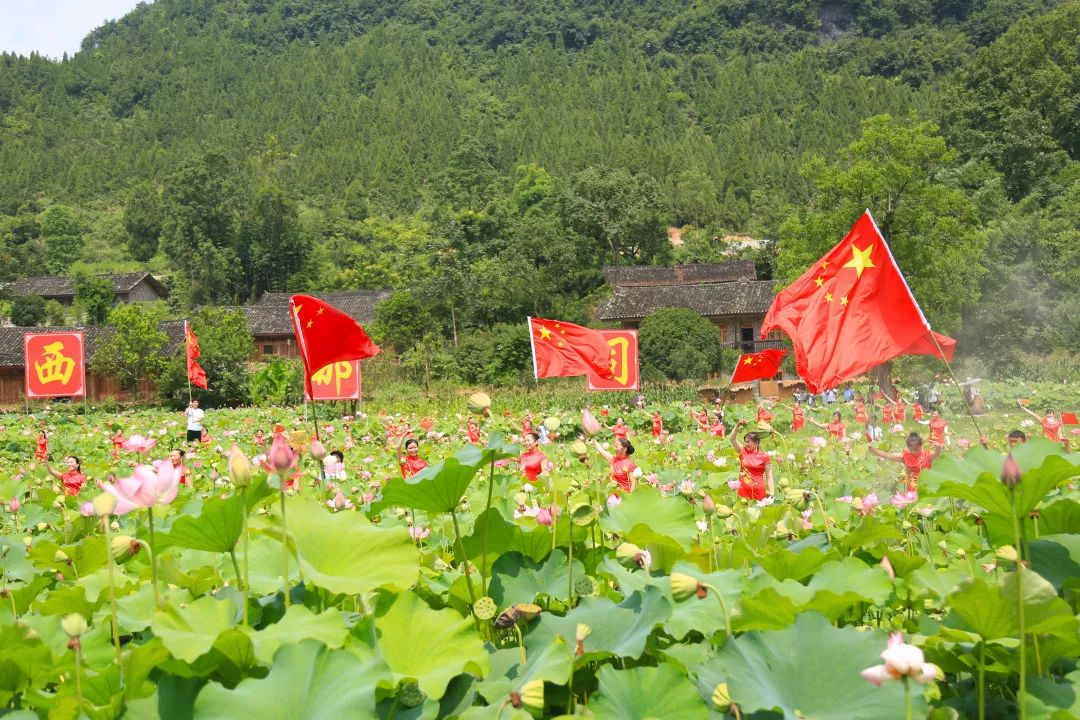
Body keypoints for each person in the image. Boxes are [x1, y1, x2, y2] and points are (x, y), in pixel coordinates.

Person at [869, 432, 943, 490]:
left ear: (921, 446)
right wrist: (876, 451)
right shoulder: (906, 456)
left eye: (916, 449)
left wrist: (939, 447)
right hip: (912, 487)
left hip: (926, 486)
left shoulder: (928, 455)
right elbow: (889, 456)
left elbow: (937, 454)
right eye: (911, 450)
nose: (913, 452)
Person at [729, 419, 774, 500]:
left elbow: (769, 477)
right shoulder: (743, 451)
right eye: (745, 442)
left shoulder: (765, 456)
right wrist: (738, 425)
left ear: (756, 442)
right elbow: (732, 439)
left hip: (758, 491)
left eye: (748, 442)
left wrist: (771, 493)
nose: (746, 444)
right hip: (743, 490)